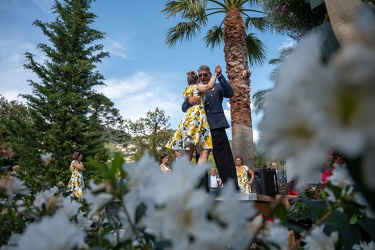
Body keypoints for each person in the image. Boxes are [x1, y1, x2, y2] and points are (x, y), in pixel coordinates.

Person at [182, 65, 237, 184]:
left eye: (205, 75)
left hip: (216, 126)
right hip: (200, 129)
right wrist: (188, 101)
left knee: (224, 158)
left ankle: (231, 188)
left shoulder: (217, 86)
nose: (203, 77)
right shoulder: (194, 89)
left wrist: (220, 75)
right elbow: (183, 107)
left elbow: (229, 92)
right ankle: (200, 188)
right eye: (200, 75)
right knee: (201, 157)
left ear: (210, 74)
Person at [166, 66, 220, 164]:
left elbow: (184, 105)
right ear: (197, 80)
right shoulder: (197, 87)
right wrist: (215, 74)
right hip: (197, 118)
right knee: (204, 152)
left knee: (187, 155)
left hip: (186, 120)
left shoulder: (186, 90)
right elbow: (209, 86)